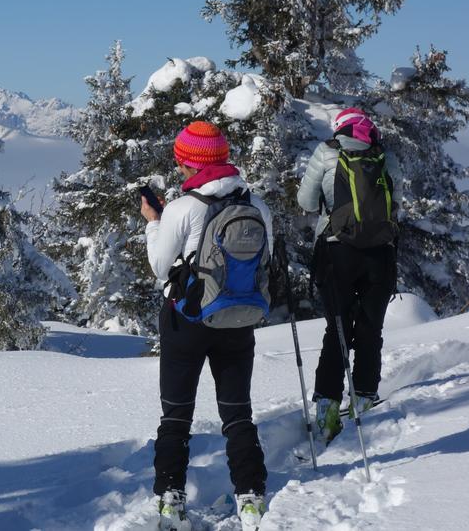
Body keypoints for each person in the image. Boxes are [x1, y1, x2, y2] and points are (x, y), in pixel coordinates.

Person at [141, 120, 269, 531]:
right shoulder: (257, 203)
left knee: (176, 414)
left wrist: (153, 222)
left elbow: (161, 267)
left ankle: (171, 499)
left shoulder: (183, 207)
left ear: (189, 162)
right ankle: (250, 496)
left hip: (188, 319)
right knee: (237, 412)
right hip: (238, 317)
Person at [297, 108, 401, 441]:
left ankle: (327, 408)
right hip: (380, 255)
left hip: (335, 251)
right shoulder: (383, 156)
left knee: (338, 330)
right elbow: (397, 202)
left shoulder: (326, 152)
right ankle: (364, 398)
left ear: (340, 128)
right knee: (371, 329)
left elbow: (307, 202)